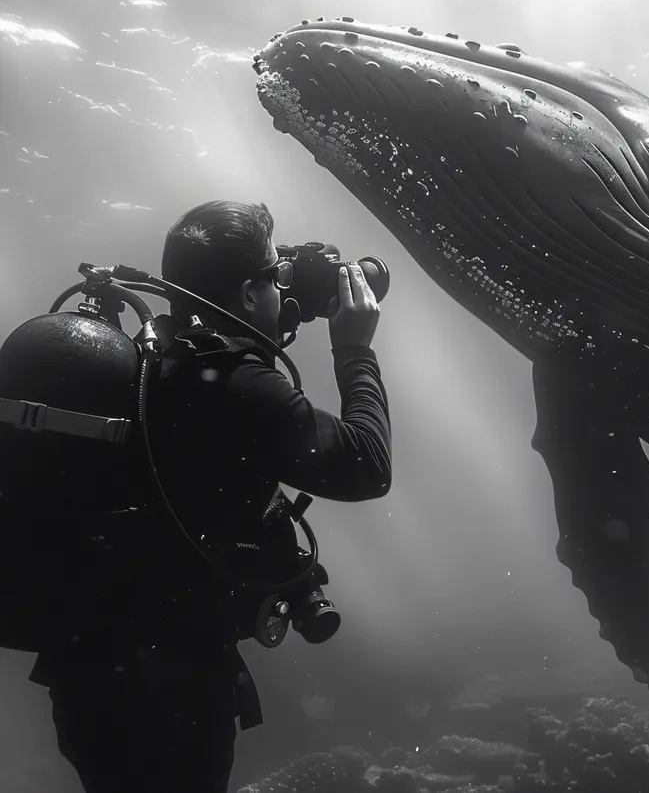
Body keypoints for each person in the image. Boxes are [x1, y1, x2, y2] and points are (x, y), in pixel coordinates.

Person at [26, 200, 393, 792]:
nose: (283, 287)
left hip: (90, 671)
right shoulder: (232, 380)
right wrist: (355, 350)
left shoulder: (154, 355)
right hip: (167, 693)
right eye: (274, 276)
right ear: (248, 296)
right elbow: (366, 468)